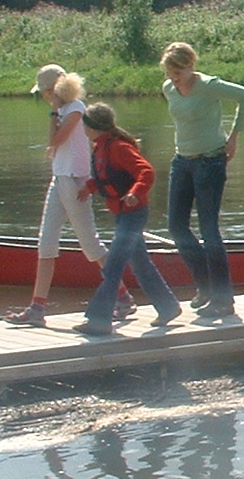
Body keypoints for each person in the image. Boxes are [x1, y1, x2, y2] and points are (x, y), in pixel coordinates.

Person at [4, 64, 131, 327]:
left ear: (54, 90)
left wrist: (53, 112)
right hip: (60, 179)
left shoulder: (74, 109)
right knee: (46, 244)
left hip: (74, 181)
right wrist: (55, 111)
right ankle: (37, 307)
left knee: (90, 244)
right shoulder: (64, 110)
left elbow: (55, 140)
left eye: (45, 92)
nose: (43, 97)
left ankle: (123, 297)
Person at [160, 42, 244, 320]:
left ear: (190, 66)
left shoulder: (209, 85)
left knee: (209, 230)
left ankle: (223, 300)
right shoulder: (168, 89)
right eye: (168, 72)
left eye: (177, 72)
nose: (173, 78)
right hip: (182, 161)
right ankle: (205, 287)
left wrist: (235, 136)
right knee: (176, 227)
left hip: (210, 161)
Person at [73, 103, 183, 336]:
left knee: (113, 266)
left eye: (85, 124)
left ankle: (99, 320)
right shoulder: (100, 147)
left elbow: (147, 172)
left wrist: (136, 192)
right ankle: (168, 308)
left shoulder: (118, 147)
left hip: (134, 214)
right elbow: (106, 176)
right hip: (123, 214)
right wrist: (90, 188)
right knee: (141, 264)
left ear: (94, 127)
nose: (82, 127)